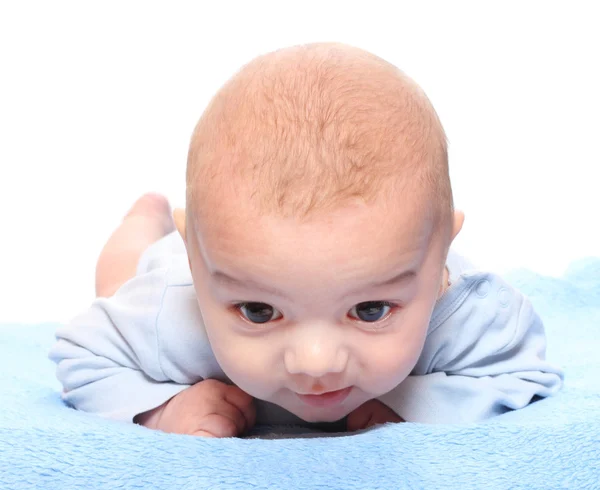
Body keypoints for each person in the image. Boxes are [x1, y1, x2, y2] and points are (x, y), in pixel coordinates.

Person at [49, 43, 564, 437]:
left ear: (439, 258)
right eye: (256, 310)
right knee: (120, 275)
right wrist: (162, 409)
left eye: (369, 310)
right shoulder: (173, 315)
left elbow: (523, 374)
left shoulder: (467, 319)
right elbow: (81, 356)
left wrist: (411, 402)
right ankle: (146, 217)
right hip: (165, 265)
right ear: (199, 259)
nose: (315, 362)